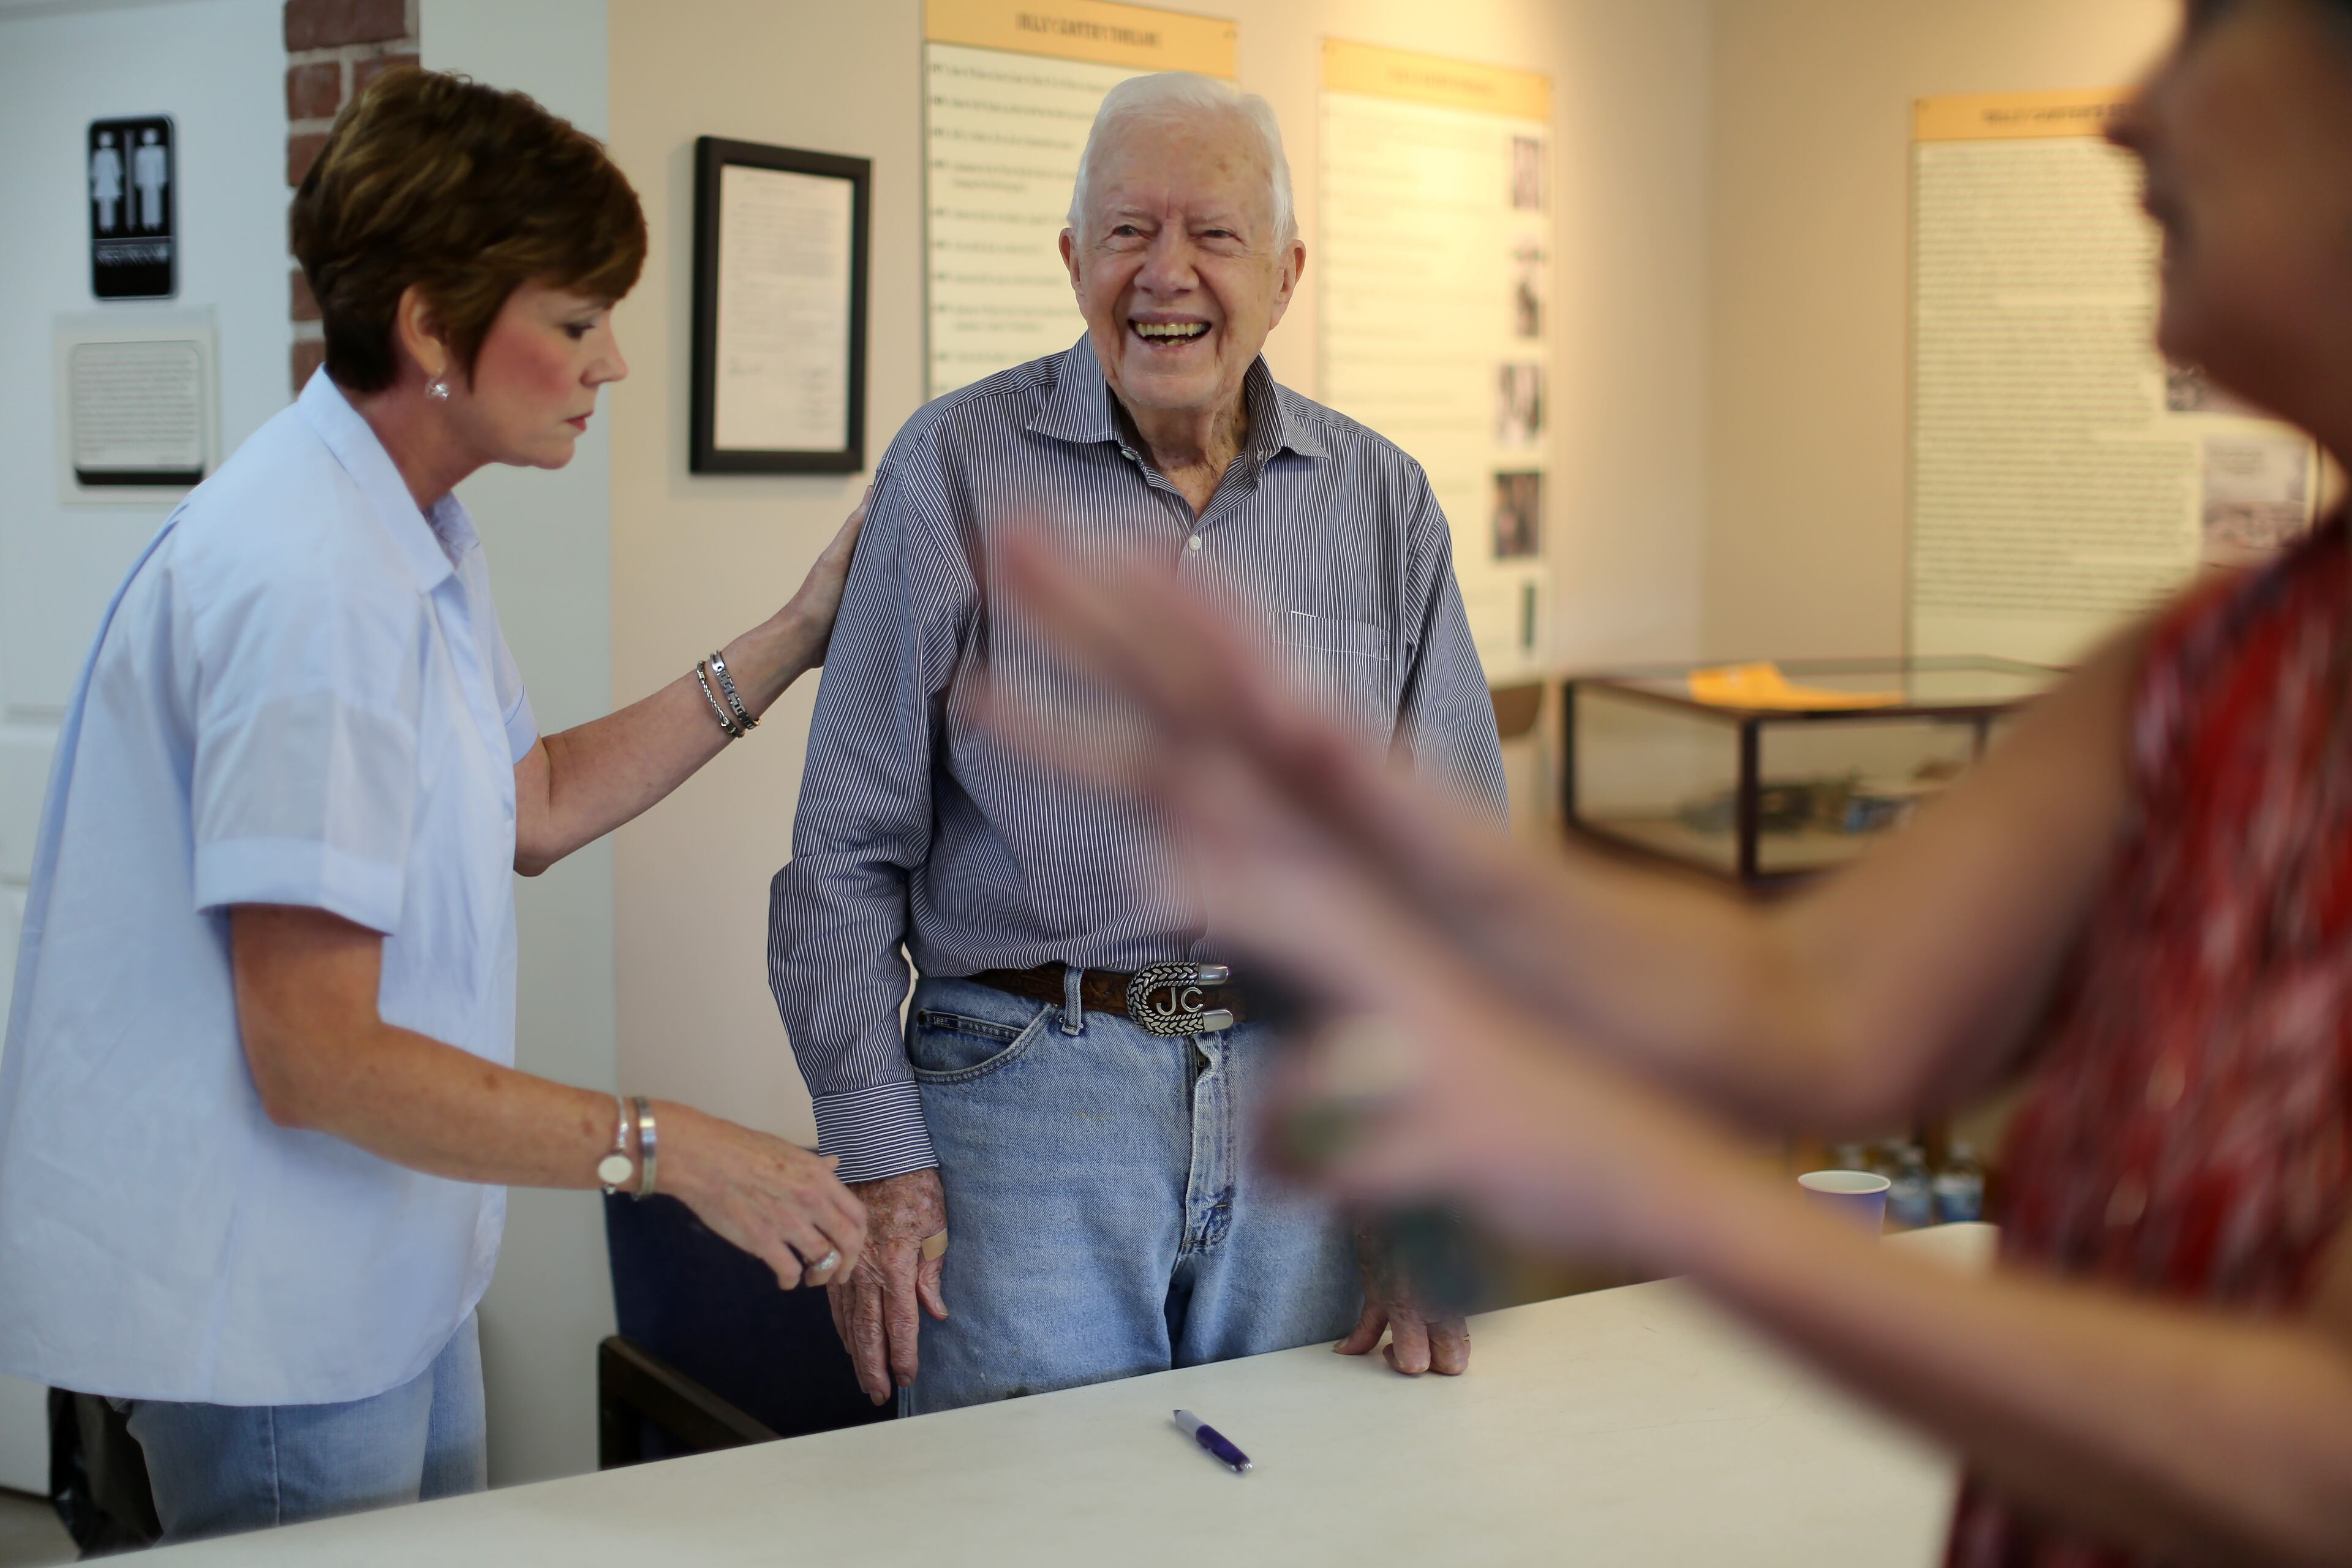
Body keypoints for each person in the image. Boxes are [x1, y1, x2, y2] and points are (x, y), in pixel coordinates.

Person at [991, 2, 2352, 1562]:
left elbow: (2320, 1454)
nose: (2128, 115)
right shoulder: (2227, 652)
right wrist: (1370, 819)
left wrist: (1678, 1200)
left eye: (2213, 25)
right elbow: (1821, 998)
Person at [0, 69, 867, 1544]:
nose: (614, 366)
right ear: (429, 325)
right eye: (577, 322)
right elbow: (317, 1058)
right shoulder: (307, 581)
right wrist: (679, 1150)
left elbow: (525, 804)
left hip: (391, 1272)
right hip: (277, 1314)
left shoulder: (409, 531)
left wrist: (794, 632)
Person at [769, 72, 1506, 1415]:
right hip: (1022, 1110)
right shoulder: (950, 471)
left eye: (1213, 235)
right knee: (1029, 1524)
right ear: (1071, 259)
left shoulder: (1385, 505)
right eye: (1126, 233)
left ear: (1286, 272)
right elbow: (838, 858)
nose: (1165, 274)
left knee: (1296, 1505)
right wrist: (881, 1159)